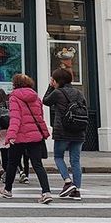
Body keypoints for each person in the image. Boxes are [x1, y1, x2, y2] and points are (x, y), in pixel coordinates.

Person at [0, 74, 52, 204]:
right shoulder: (36, 97)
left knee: (12, 163)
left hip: (20, 136)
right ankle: (46, 192)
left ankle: (8, 190)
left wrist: (11, 135)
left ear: (15, 84)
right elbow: (40, 117)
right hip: (35, 136)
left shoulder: (14, 97)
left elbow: (15, 118)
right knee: (38, 164)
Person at [43, 67, 87, 200]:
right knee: (75, 160)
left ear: (57, 81)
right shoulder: (79, 93)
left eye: (53, 80)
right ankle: (77, 190)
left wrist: (50, 87)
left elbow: (45, 101)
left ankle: (68, 181)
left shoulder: (57, 93)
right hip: (79, 131)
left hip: (63, 131)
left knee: (58, 157)